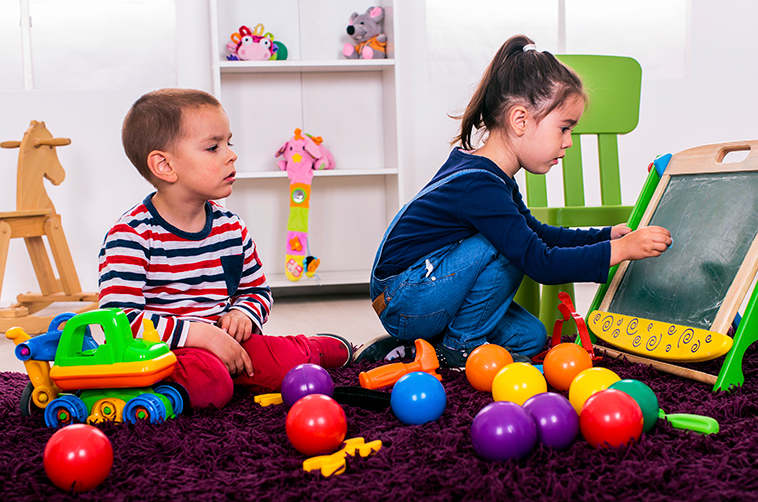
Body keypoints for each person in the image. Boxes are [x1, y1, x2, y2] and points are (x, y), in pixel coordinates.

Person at [365, 35, 672, 368]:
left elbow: (536, 233)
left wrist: (604, 235)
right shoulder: (480, 186)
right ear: (520, 119)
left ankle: (426, 347)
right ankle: (458, 349)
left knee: (530, 336)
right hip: (406, 298)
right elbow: (538, 261)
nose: (569, 142)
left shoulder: (494, 177)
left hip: (425, 291)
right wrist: (621, 251)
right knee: (502, 245)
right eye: (565, 128)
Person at [99, 88, 353, 409]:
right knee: (210, 386)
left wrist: (243, 313)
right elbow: (118, 320)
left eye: (229, 143)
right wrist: (200, 336)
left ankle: (310, 348)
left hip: (229, 340)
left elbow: (257, 291)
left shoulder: (231, 227)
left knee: (290, 364)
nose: (231, 155)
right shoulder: (130, 236)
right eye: (212, 147)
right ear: (164, 165)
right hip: (163, 354)